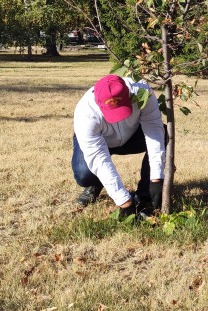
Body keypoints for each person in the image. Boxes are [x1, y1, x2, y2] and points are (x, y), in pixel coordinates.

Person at [71, 74, 166, 216]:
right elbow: (98, 158)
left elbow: (154, 130)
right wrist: (124, 202)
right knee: (84, 174)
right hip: (100, 141)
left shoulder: (142, 93)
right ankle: (95, 184)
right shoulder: (85, 113)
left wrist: (156, 178)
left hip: (132, 136)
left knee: (164, 133)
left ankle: (145, 195)